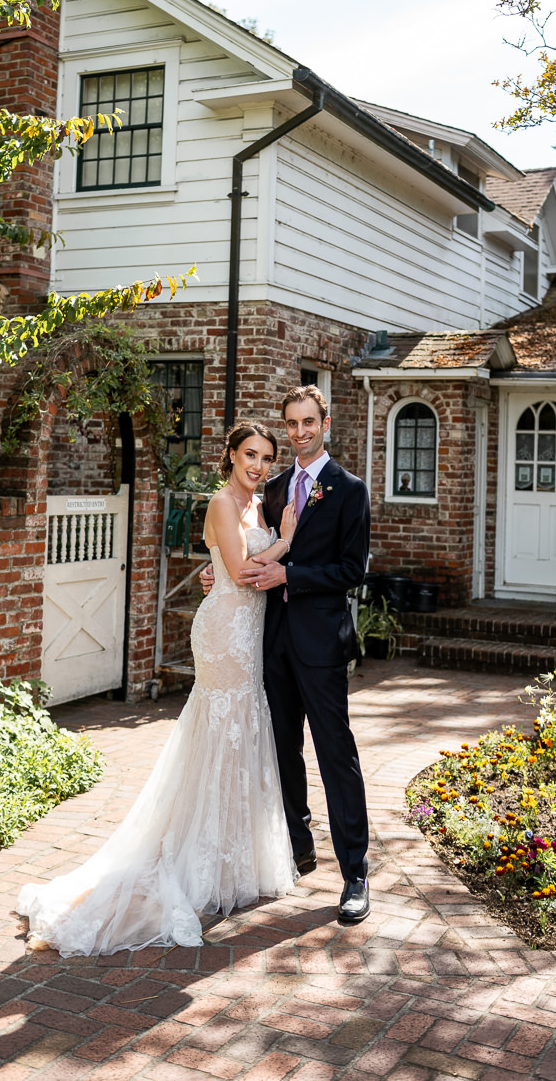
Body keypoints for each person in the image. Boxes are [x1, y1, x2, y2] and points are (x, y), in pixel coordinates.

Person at [17, 421, 298, 955]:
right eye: (249, 455)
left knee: (241, 730)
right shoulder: (221, 501)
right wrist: (284, 541)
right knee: (221, 728)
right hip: (223, 635)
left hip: (250, 633)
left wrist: (262, 542)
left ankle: (228, 858)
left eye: (265, 458)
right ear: (231, 456)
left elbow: (224, 563)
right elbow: (238, 571)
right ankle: (194, 856)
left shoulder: (256, 505)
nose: (258, 466)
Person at [202, 385, 371, 924]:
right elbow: (245, 547)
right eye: (291, 424)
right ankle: (299, 847)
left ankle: (355, 875)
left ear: (326, 422)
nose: (299, 432)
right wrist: (219, 571)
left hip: (321, 645)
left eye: (307, 422)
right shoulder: (271, 490)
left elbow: (352, 571)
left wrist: (289, 573)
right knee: (281, 751)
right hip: (269, 642)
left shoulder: (349, 490)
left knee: (335, 755)